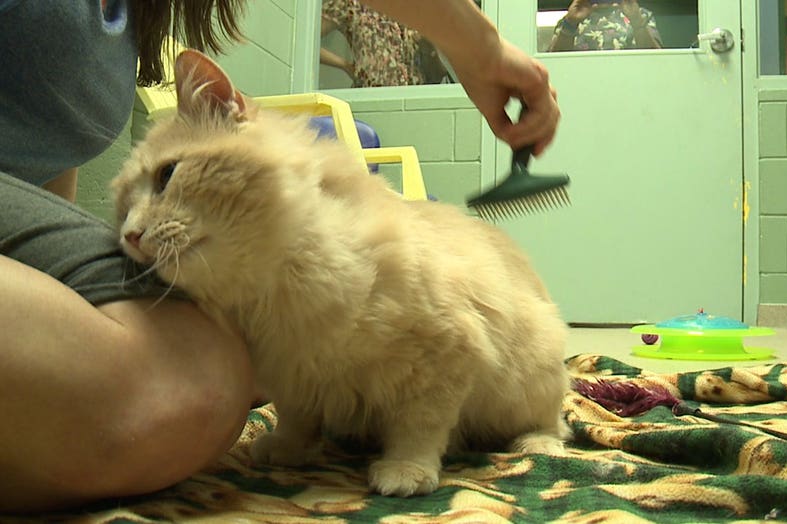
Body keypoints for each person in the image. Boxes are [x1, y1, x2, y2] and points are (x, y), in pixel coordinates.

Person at [0, 0, 558, 513]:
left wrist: (415, 448)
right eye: (126, 212)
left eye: (167, 178)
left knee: (204, 370)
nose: (134, 230)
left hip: (507, 389)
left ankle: (536, 422)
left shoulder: (369, 257)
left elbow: (447, 345)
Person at [321, 0, 451, 87]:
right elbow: (305, 41)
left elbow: (437, 76)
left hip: (415, 99)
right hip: (373, 96)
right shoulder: (351, 4)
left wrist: (430, 47)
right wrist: (345, 65)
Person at [548, 0, 662, 52]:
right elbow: (553, 66)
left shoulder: (640, 15)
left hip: (632, 86)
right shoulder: (571, 18)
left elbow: (658, 63)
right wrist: (570, 24)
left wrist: (637, 21)